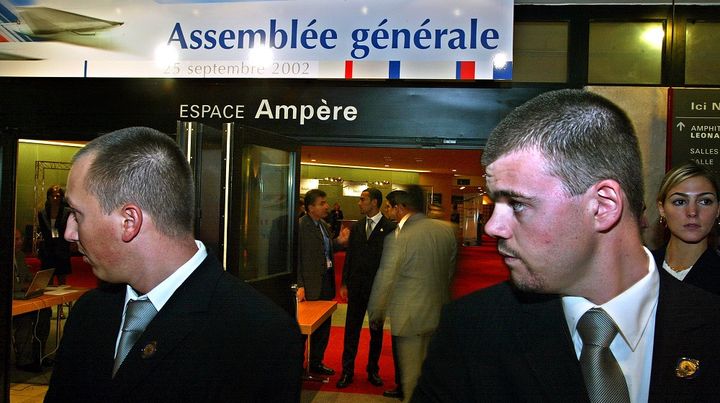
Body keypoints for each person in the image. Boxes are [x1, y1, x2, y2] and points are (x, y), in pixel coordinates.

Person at [412, 89, 720, 402]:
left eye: (516, 203)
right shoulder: (471, 330)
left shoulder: (710, 322)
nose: (493, 226)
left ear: (602, 206)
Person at [45, 127, 304, 402]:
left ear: (129, 221)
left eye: (76, 214)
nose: (69, 232)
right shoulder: (89, 313)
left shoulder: (260, 336)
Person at [368, 186, 457, 401]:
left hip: (409, 317)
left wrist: (376, 313)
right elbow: (449, 272)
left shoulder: (401, 237)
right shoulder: (447, 230)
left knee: (412, 380)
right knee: (432, 375)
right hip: (437, 313)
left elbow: (385, 278)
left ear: (402, 208)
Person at [336, 188, 396, 389]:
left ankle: (373, 370)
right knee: (351, 331)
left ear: (375, 202)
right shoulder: (358, 226)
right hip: (356, 288)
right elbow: (349, 257)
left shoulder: (389, 228)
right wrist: (344, 283)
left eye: (363, 199)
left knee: (376, 332)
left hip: (378, 290)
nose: (359, 203)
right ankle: (347, 371)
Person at [297, 188, 349, 376]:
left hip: (326, 283)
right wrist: (300, 284)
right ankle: (297, 364)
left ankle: (316, 362)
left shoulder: (324, 226)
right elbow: (296, 258)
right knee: (304, 329)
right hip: (310, 286)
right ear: (310, 207)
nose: (326, 206)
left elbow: (327, 250)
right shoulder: (301, 226)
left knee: (323, 327)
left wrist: (339, 242)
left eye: (326, 203)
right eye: (322, 203)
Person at [653, 161, 720, 294]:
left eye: (705, 201)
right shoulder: (640, 269)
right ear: (662, 209)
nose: (692, 212)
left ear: (718, 209)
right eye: (680, 202)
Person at [12, 228, 51, 373]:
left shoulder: (20, 256)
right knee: (25, 317)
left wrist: (37, 281)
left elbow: (27, 277)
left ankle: (39, 355)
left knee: (44, 311)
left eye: (20, 238)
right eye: (16, 239)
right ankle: (24, 360)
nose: (20, 242)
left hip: (22, 296)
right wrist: (25, 286)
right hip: (13, 299)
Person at [37, 184, 72, 285]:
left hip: (62, 247)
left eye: (58, 196)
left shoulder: (67, 212)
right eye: (53, 196)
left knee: (62, 279)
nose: (55, 198)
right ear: (48, 197)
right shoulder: (42, 213)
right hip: (48, 248)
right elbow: (43, 231)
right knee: (48, 278)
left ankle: (62, 300)